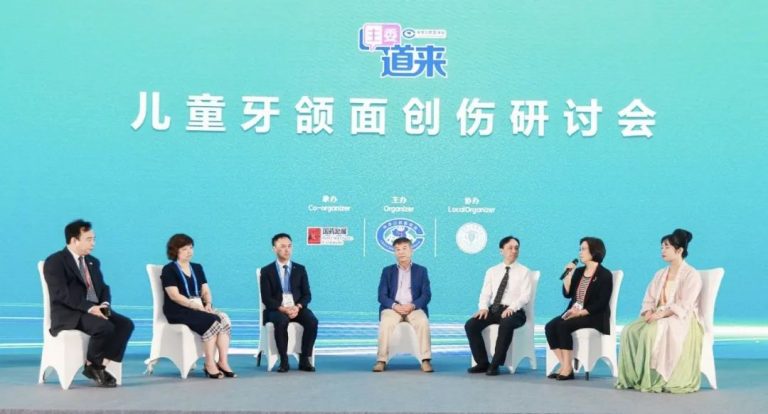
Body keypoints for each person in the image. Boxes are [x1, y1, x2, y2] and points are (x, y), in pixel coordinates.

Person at [43, 219, 135, 387]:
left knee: (125, 324)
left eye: (94, 239)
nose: (93, 243)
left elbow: (103, 287)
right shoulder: (55, 262)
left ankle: (99, 366)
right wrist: (91, 308)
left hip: (97, 308)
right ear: (74, 240)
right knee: (105, 327)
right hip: (71, 312)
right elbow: (61, 294)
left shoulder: (93, 261)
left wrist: (105, 304)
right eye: (89, 239)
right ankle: (94, 365)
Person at [617, 229, 703, 393]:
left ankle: (653, 378)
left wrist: (661, 314)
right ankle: (633, 377)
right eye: (661, 247)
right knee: (629, 330)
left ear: (679, 250)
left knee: (649, 332)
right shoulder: (660, 274)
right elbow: (649, 298)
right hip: (658, 315)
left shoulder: (691, 275)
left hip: (680, 318)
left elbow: (684, 305)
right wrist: (648, 312)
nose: (662, 251)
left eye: (667, 247)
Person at [160, 234, 235, 379]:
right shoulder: (169, 269)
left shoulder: (197, 267)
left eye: (191, 248)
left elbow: (205, 290)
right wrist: (196, 306)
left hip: (199, 307)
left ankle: (222, 361)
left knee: (223, 318)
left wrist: (208, 304)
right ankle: (209, 364)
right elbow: (174, 296)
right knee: (212, 320)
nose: (189, 251)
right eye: (184, 249)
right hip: (178, 309)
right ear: (175, 251)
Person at [545, 237, 613, 381]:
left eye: (583, 249)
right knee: (550, 326)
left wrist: (580, 313)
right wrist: (567, 276)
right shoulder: (579, 271)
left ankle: (567, 369)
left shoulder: (604, 274)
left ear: (594, 251)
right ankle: (565, 365)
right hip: (574, 311)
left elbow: (601, 303)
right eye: (580, 249)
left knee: (563, 326)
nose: (580, 252)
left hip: (594, 315)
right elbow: (568, 294)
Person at [465, 236, 532, 376]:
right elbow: (485, 293)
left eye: (516, 248)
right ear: (501, 250)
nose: (514, 251)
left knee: (506, 323)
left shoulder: (524, 271)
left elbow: (525, 296)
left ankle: (495, 364)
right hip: (494, 309)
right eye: (510, 248)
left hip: (516, 311)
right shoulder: (492, 271)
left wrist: (512, 308)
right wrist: (483, 307)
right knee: (471, 325)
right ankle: (482, 363)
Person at [259, 233, 318, 372]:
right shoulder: (267, 271)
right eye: (283, 246)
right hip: (276, 309)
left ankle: (304, 359)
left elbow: (307, 295)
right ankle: (284, 361)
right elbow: (266, 298)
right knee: (281, 321)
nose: (287, 250)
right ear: (274, 249)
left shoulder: (300, 269)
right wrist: (282, 309)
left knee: (312, 321)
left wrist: (298, 307)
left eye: (289, 246)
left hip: (297, 307)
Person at [373, 237, 433, 373]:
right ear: (394, 252)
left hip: (414, 308)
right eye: (397, 249)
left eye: (404, 248)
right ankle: (381, 360)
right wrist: (394, 306)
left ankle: (425, 360)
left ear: (411, 250)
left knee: (422, 322)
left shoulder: (421, 270)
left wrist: (413, 305)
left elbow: (426, 295)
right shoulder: (387, 271)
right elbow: (381, 296)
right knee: (386, 323)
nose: (401, 252)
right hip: (393, 308)